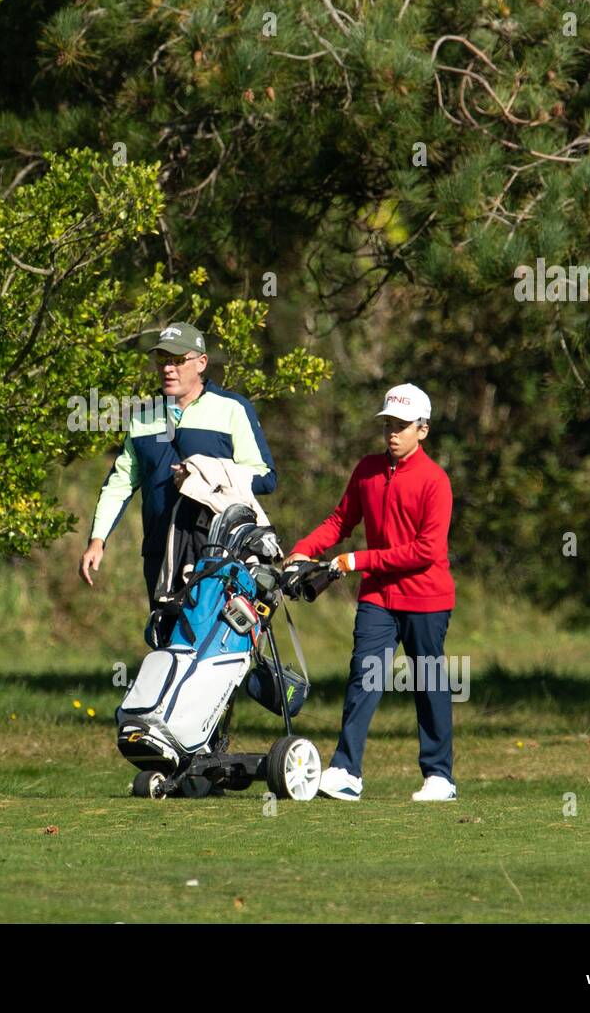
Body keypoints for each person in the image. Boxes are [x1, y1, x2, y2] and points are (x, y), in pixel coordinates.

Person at [285, 383, 457, 802]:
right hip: (378, 598)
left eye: (402, 426)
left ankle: (439, 777)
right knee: (364, 678)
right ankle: (346, 771)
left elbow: (426, 551)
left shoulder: (436, 481)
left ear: (423, 430)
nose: (392, 434)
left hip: (426, 598)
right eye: (388, 425)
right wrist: (302, 550)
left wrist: (359, 561)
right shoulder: (367, 470)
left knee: (428, 683)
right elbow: (340, 520)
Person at [78, 322, 276, 607]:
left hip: (218, 553)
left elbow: (266, 477)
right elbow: (119, 484)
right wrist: (97, 540)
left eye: (177, 361)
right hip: (159, 554)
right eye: (162, 360)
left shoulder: (233, 408)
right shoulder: (142, 416)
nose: (168, 369)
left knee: (216, 647)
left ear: (201, 363)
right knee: (165, 645)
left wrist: (207, 473)